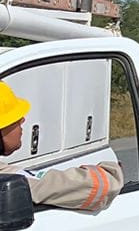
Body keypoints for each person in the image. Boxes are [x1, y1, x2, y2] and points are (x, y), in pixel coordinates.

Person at [0, 83, 124, 212]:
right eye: (13, 119)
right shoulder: (7, 177)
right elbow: (99, 187)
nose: (22, 120)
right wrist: (113, 172)